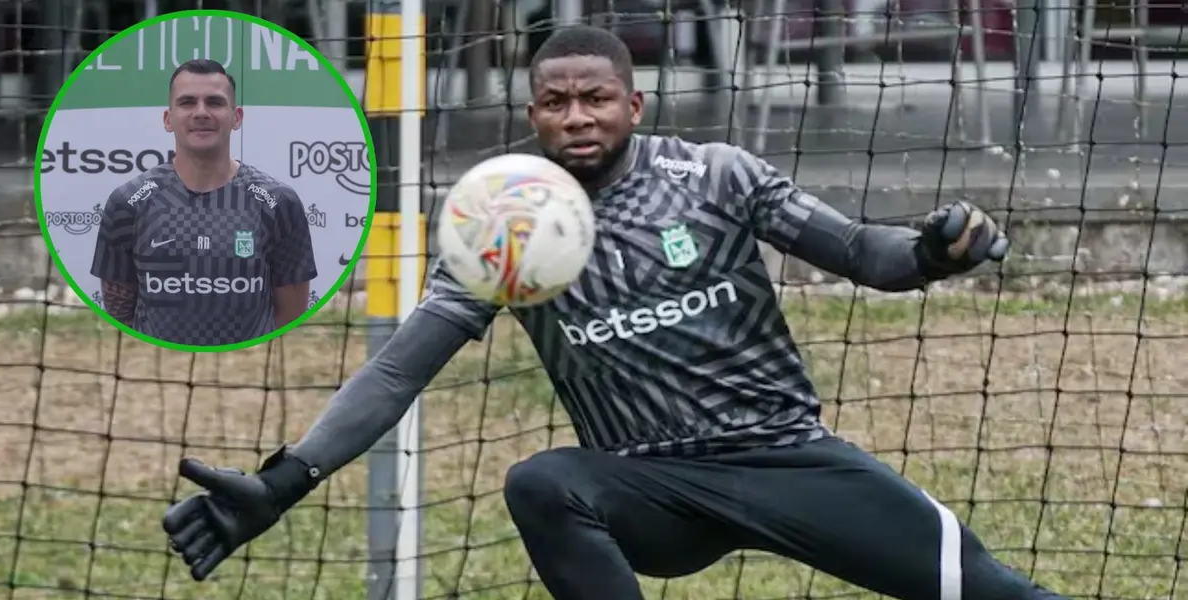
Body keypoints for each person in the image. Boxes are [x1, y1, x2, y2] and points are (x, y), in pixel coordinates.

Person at [162, 26, 1066, 600]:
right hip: (648, 487)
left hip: (784, 453)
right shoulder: (503, 222)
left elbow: (863, 252)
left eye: (596, 97)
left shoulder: (714, 175)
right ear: (534, 114)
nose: (577, 116)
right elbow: (400, 367)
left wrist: (931, 252)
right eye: (556, 102)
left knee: (990, 589)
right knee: (543, 481)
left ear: (632, 103)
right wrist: (286, 480)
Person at [89, 58, 317, 346]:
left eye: (215, 102)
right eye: (187, 103)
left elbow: (292, 311)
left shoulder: (278, 202)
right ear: (167, 119)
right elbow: (119, 311)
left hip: (249, 374)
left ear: (237, 117)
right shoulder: (128, 203)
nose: (201, 113)